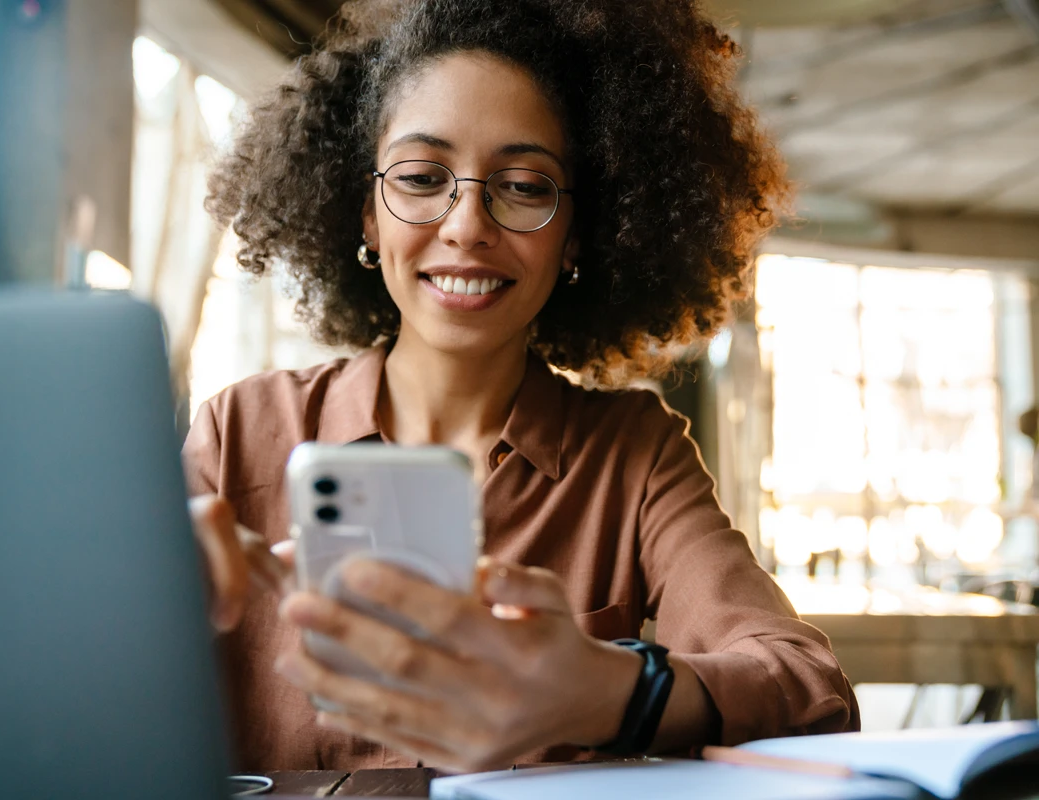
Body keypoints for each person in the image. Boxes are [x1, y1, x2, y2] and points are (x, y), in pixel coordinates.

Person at [184, 0, 859, 774]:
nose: (467, 223)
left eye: (526, 186)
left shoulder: (634, 458)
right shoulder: (238, 432)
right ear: (368, 215)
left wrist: (615, 692)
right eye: (421, 177)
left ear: (576, 235)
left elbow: (815, 694)